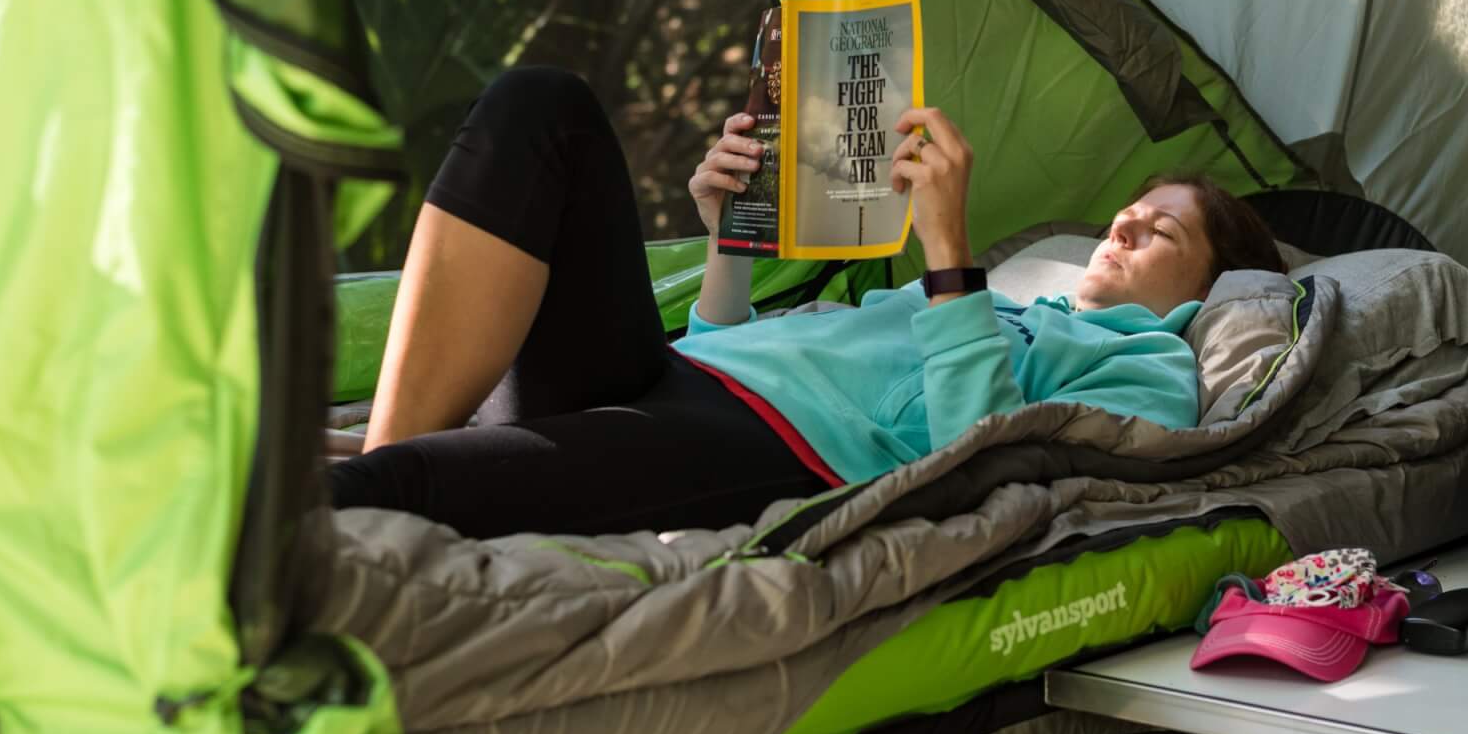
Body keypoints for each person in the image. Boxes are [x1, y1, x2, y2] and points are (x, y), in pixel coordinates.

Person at [329, 66, 1284, 540]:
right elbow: (727, 346)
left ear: (1208, 287)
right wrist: (730, 241)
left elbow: (980, 462)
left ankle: (353, 509)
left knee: (414, 492)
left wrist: (948, 250)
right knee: (543, 109)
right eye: (1125, 212)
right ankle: (385, 451)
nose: (1119, 228)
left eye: (1157, 231)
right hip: (679, 372)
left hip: (775, 450)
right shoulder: (1012, 308)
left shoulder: (1152, 370)